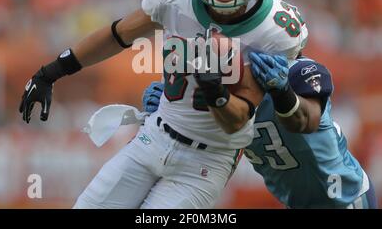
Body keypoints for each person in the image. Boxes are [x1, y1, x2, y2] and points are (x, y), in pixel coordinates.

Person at [19, 0, 308, 208]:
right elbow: (118, 34)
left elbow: (237, 120)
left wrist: (214, 91)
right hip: (152, 138)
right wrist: (51, 72)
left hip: (207, 162)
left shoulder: (273, 29)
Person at [143, 52, 378, 208]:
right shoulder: (216, 100)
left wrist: (282, 92)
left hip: (345, 197)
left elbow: (309, 120)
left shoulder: (294, 72)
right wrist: (169, 115)